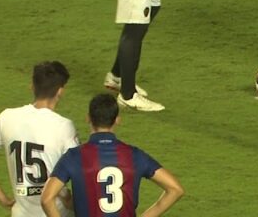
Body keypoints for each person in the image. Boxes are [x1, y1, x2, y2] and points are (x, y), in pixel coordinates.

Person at [41, 93, 185, 217]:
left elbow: (47, 199)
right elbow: (175, 189)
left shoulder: (73, 157)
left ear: (88, 118)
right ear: (117, 120)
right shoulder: (134, 155)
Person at [0, 61, 79, 216]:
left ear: (32, 87)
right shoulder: (64, 126)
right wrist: (67, 196)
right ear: (60, 91)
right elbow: (79, 172)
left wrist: (3, 199)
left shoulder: (6, 117)